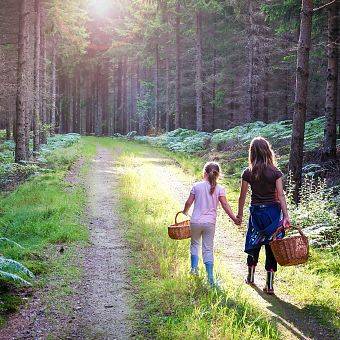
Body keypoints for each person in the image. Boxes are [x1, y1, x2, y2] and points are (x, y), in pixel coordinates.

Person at [237, 137, 290, 294]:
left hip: (256, 214)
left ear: (252, 152)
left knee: (254, 242)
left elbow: (242, 196)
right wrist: (286, 216)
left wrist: (239, 215)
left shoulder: (248, 172)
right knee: (272, 246)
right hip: (273, 213)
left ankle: (251, 277)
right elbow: (281, 196)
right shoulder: (276, 172)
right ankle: (270, 285)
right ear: (268, 151)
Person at [182, 161, 240, 286]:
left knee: (195, 244)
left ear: (204, 173)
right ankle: (210, 279)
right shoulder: (220, 189)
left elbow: (188, 202)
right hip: (210, 223)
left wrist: (185, 212)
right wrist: (234, 219)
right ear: (218, 175)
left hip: (195, 221)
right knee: (208, 249)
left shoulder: (197, 186)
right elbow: (225, 205)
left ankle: (194, 270)